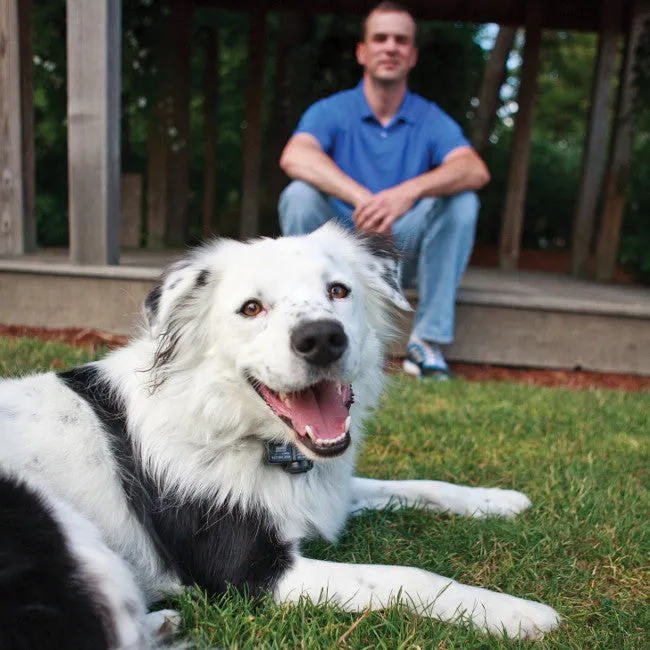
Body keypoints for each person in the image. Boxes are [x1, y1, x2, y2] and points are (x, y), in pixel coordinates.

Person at [278, 1, 490, 380]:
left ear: (412, 55)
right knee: (298, 194)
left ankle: (427, 342)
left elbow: (473, 168)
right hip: (340, 250)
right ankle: (306, 318)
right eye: (380, 38)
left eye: (401, 40)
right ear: (362, 51)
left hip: (400, 250)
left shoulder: (429, 117)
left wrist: (406, 193)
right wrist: (363, 198)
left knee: (462, 201)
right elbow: (295, 155)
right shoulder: (331, 110)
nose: (390, 47)